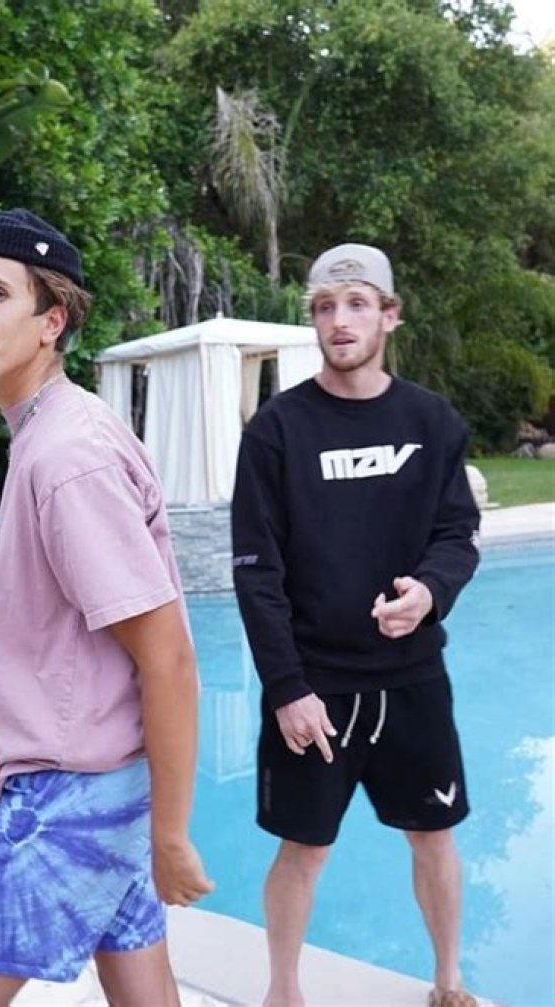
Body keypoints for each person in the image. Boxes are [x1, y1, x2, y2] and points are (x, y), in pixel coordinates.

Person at [0, 208, 213, 1007]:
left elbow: (167, 655)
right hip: (105, 786)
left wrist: (172, 834)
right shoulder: (57, 430)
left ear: (52, 319)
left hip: (60, 804)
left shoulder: (65, 457)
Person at [231, 243, 480, 1007]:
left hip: (412, 679)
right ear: (313, 318)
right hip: (317, 687)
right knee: (304, 848)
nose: (340, 320)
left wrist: (429, 593)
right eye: (325, 307)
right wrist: (287, 688)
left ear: (389, 315)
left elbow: (457, 534)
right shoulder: (276, 431)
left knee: (433, 835)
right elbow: (256, 570)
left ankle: (448, 980)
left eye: (358, 304)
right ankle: (282, 990)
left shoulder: (431, 421)